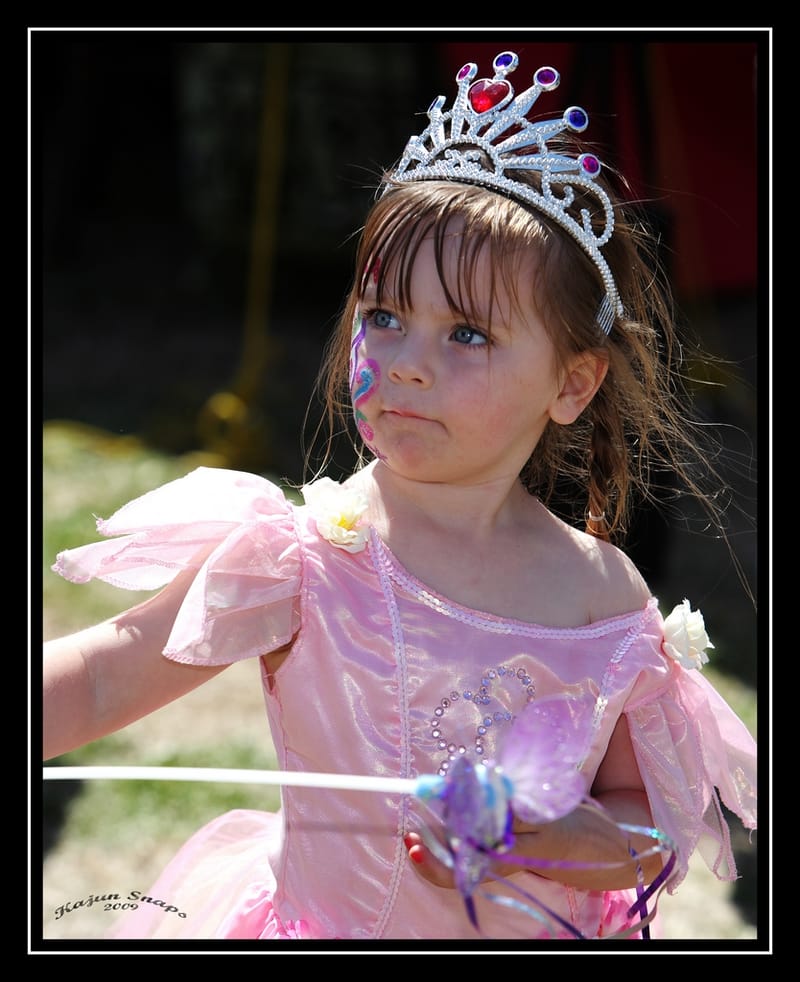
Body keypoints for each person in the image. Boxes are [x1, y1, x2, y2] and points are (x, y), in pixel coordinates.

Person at [43, 49, 757, 942]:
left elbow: (644, 830)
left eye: (467, 333)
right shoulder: (303, 557)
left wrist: (563, 840)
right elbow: (101, 678)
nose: (408, 363)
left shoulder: (603, 599)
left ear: (572, 384)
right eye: (384, 317)